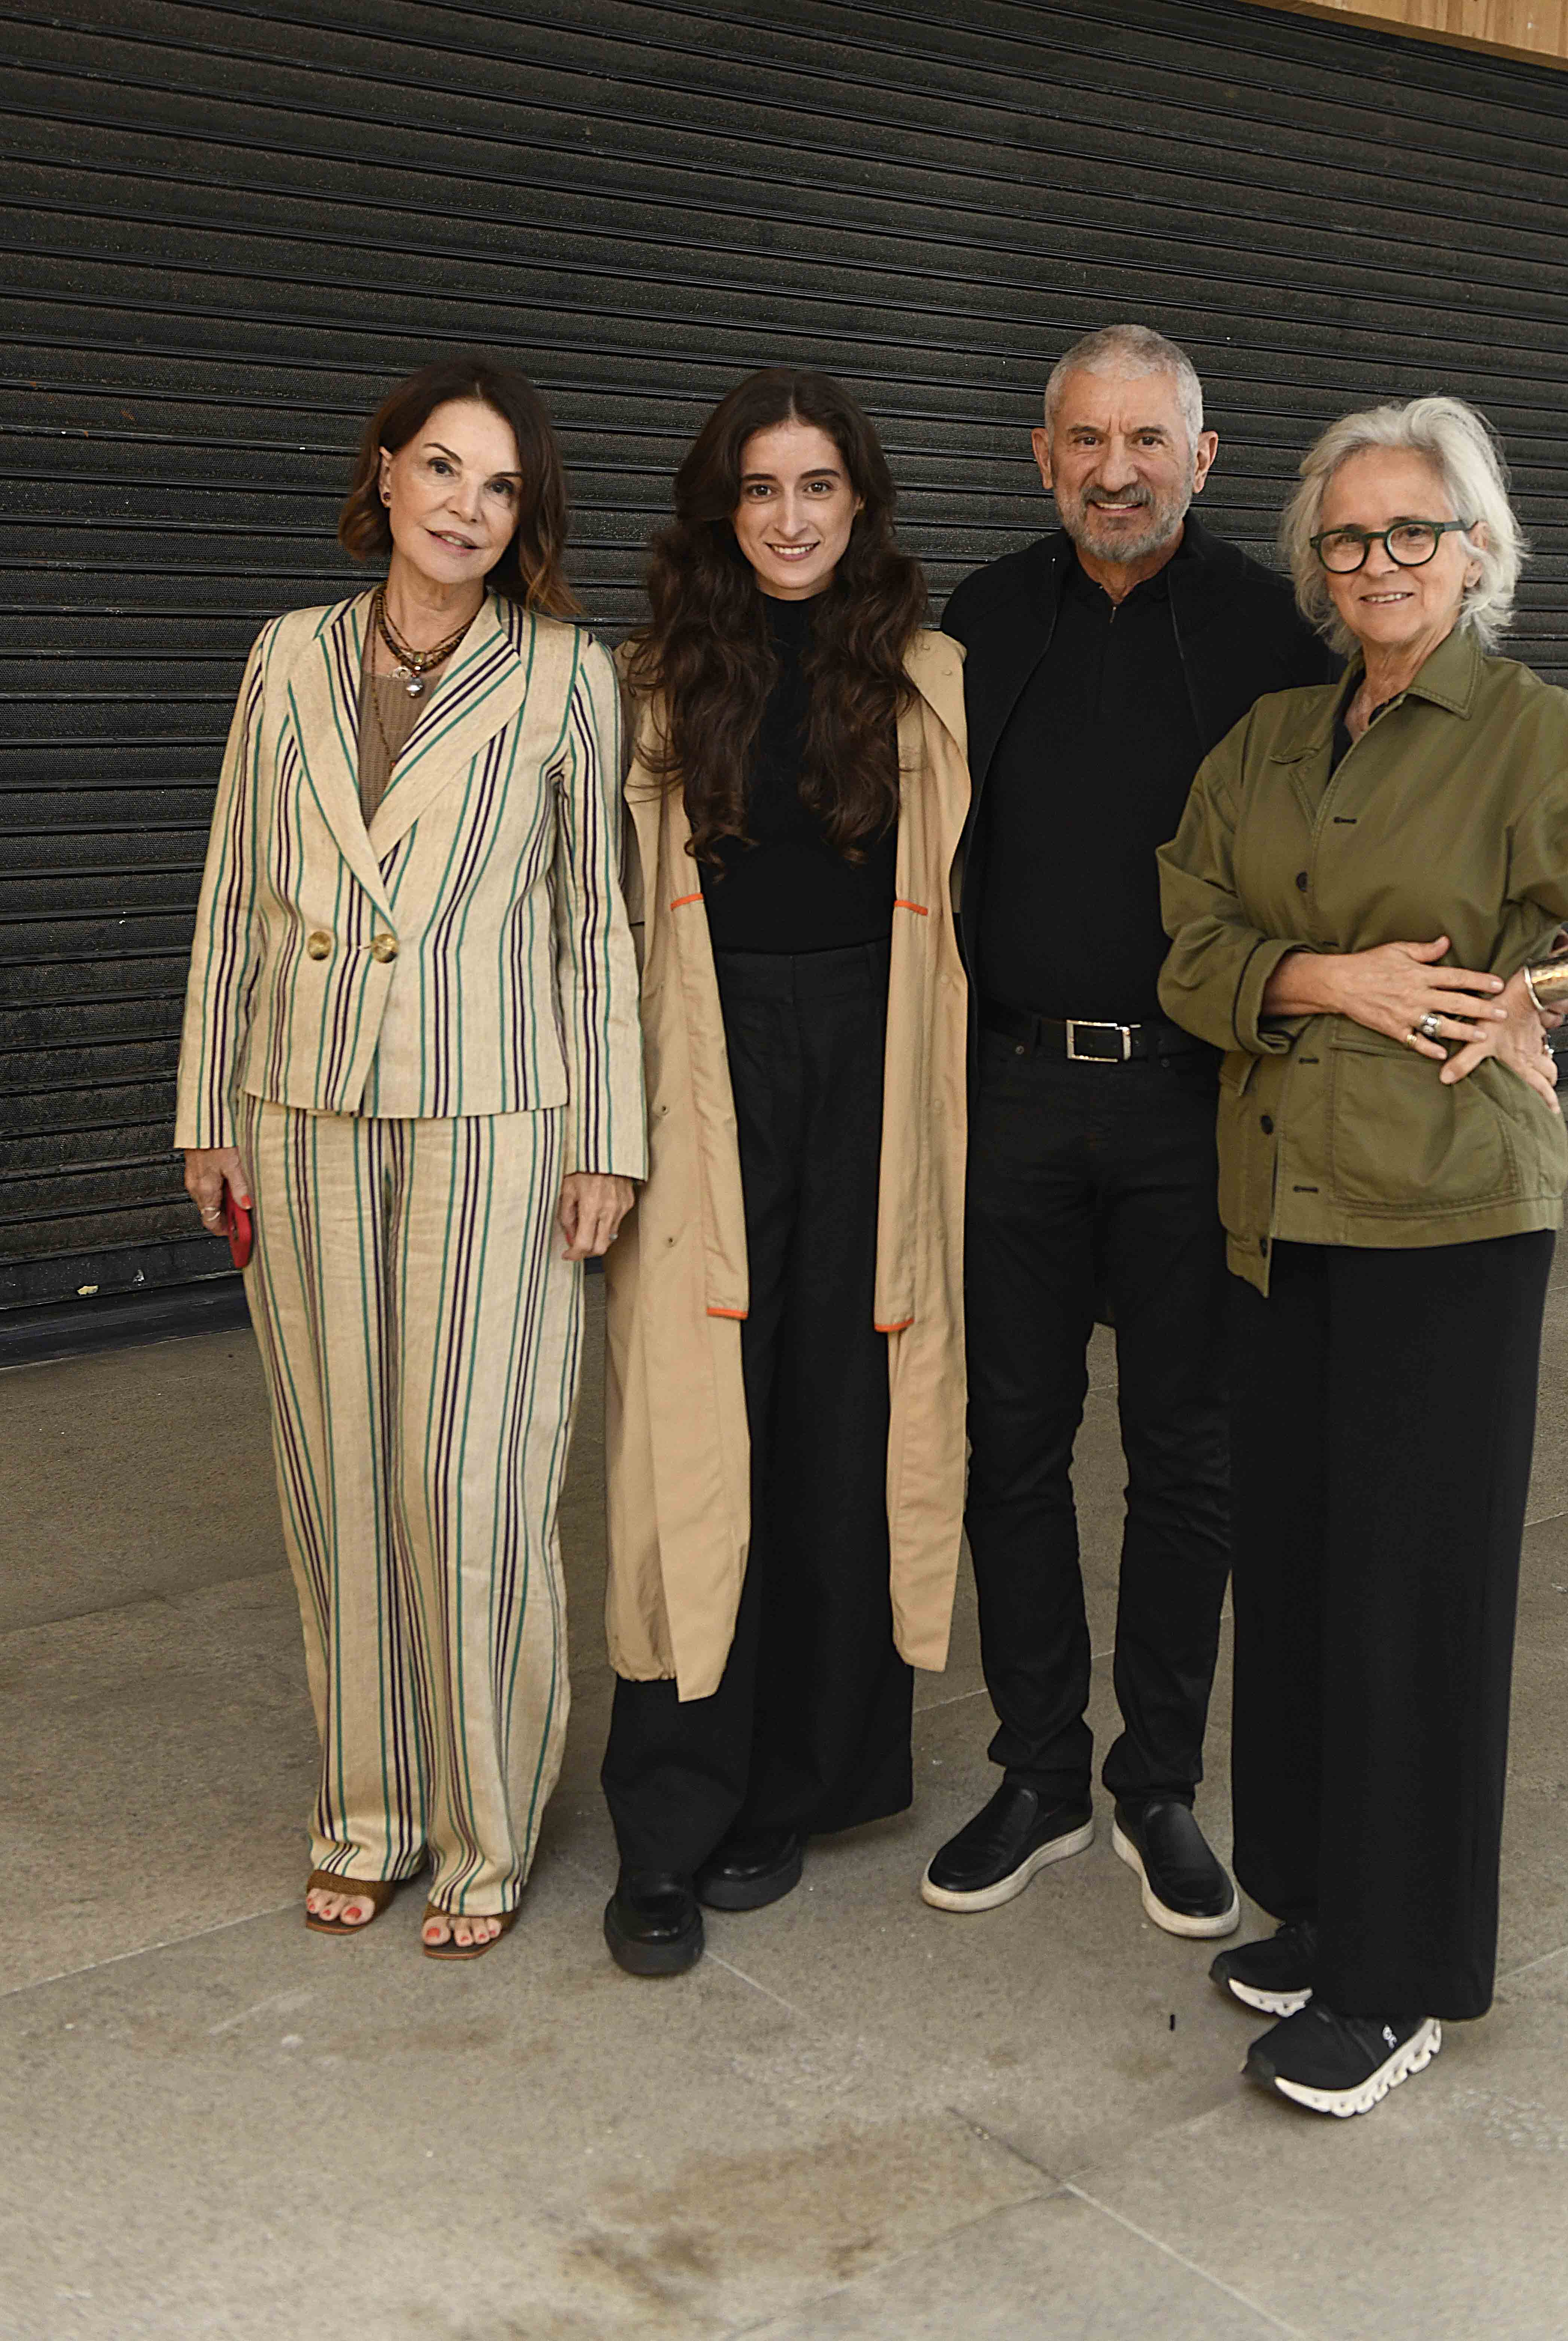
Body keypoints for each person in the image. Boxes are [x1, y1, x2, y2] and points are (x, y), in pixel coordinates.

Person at [1159, 392, 1568, 2114]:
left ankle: (1401, 1974)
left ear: (1478, 552)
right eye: (1347, 537)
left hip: (1450, 1217)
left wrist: (1548, 992)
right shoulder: (1274, 743)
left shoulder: (1530, 735)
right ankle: (1318, 1906)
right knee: (1294, 1572)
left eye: (1411, 534)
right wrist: (1319, 976)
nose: (1375, 563)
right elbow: (1190, 927)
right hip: (1279, 1207)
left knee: (1415, 1597)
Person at [176, 355, 644, 1959]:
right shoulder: (286, 655)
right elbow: (238, 888)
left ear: (528, 519)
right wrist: (208, 1110)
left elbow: (598, 924)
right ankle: (364, 1811)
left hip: (497, 1118)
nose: (466, 507)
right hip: (299, 1107)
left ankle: (485, 1827)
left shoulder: (571, 676)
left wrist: (611, 1139)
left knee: (473, 1473)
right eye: (443, 470)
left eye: (501, 487)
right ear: (384, 475)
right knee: (336, 1472)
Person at [921, 325, 1333, 1937]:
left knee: (1187, 1453)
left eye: (1146, 440)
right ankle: (1037, 1767)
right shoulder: (981, 617)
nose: (1115, 470)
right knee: (1009, 1446)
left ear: (1203, 455)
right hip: (1011, 1091)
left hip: (1195, 1097)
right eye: (1085, 441)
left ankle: (1156, 1778)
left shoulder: (1272, 636)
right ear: (1042, 458)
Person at [598, 368, 972, 1978]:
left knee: (846, 1411)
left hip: (880, 1074)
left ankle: (804, 1788)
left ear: (864, 505)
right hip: (704, 1065)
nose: (793, 516)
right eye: (762, 488)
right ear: (719, 508)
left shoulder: (934, 675)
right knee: (697, 1438)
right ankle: (672, 1815)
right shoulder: (648, 682)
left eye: (822, 485)